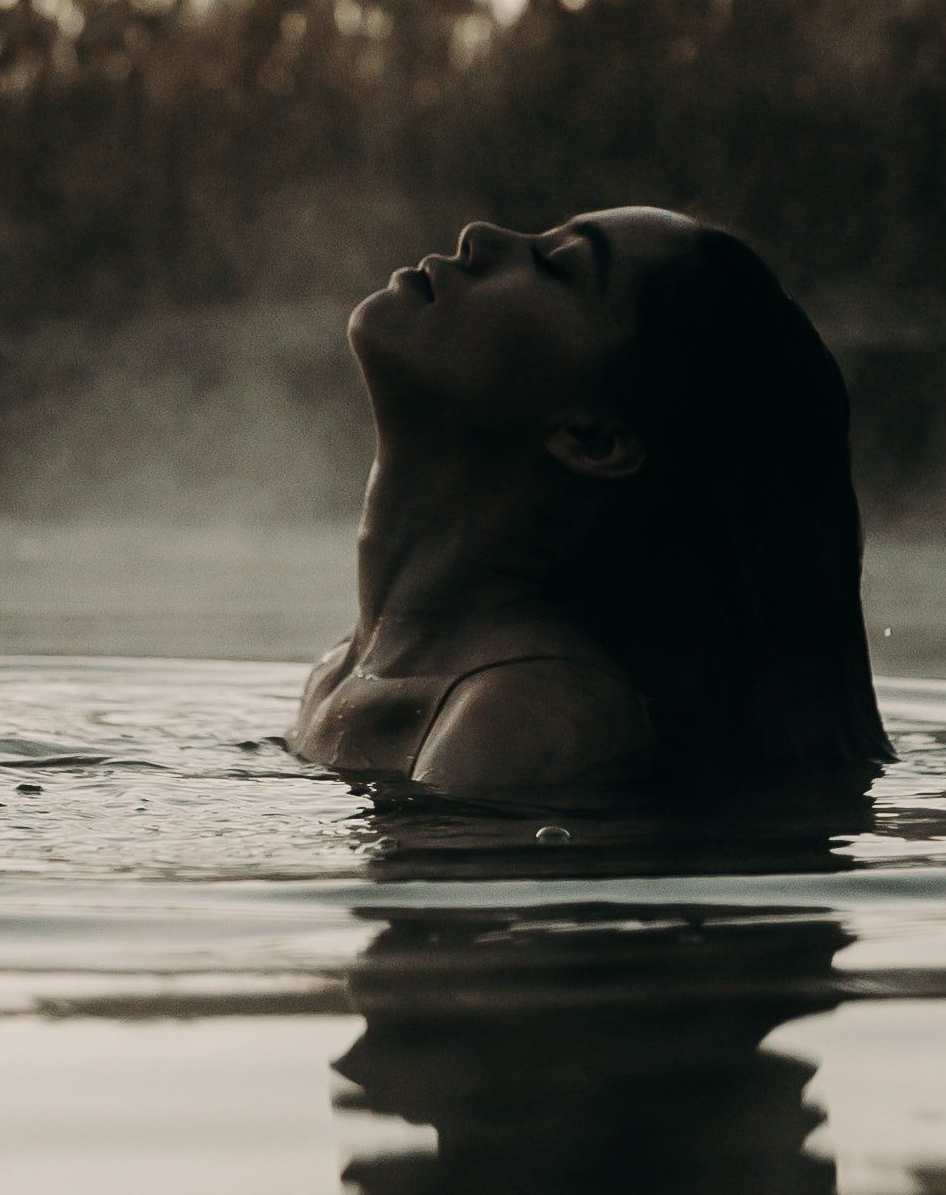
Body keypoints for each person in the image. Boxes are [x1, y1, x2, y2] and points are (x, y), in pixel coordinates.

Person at [287, 207, 891, 806]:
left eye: (557, 267)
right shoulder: (347, 668)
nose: (480, 236)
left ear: (593, 438)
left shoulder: (530, 720)